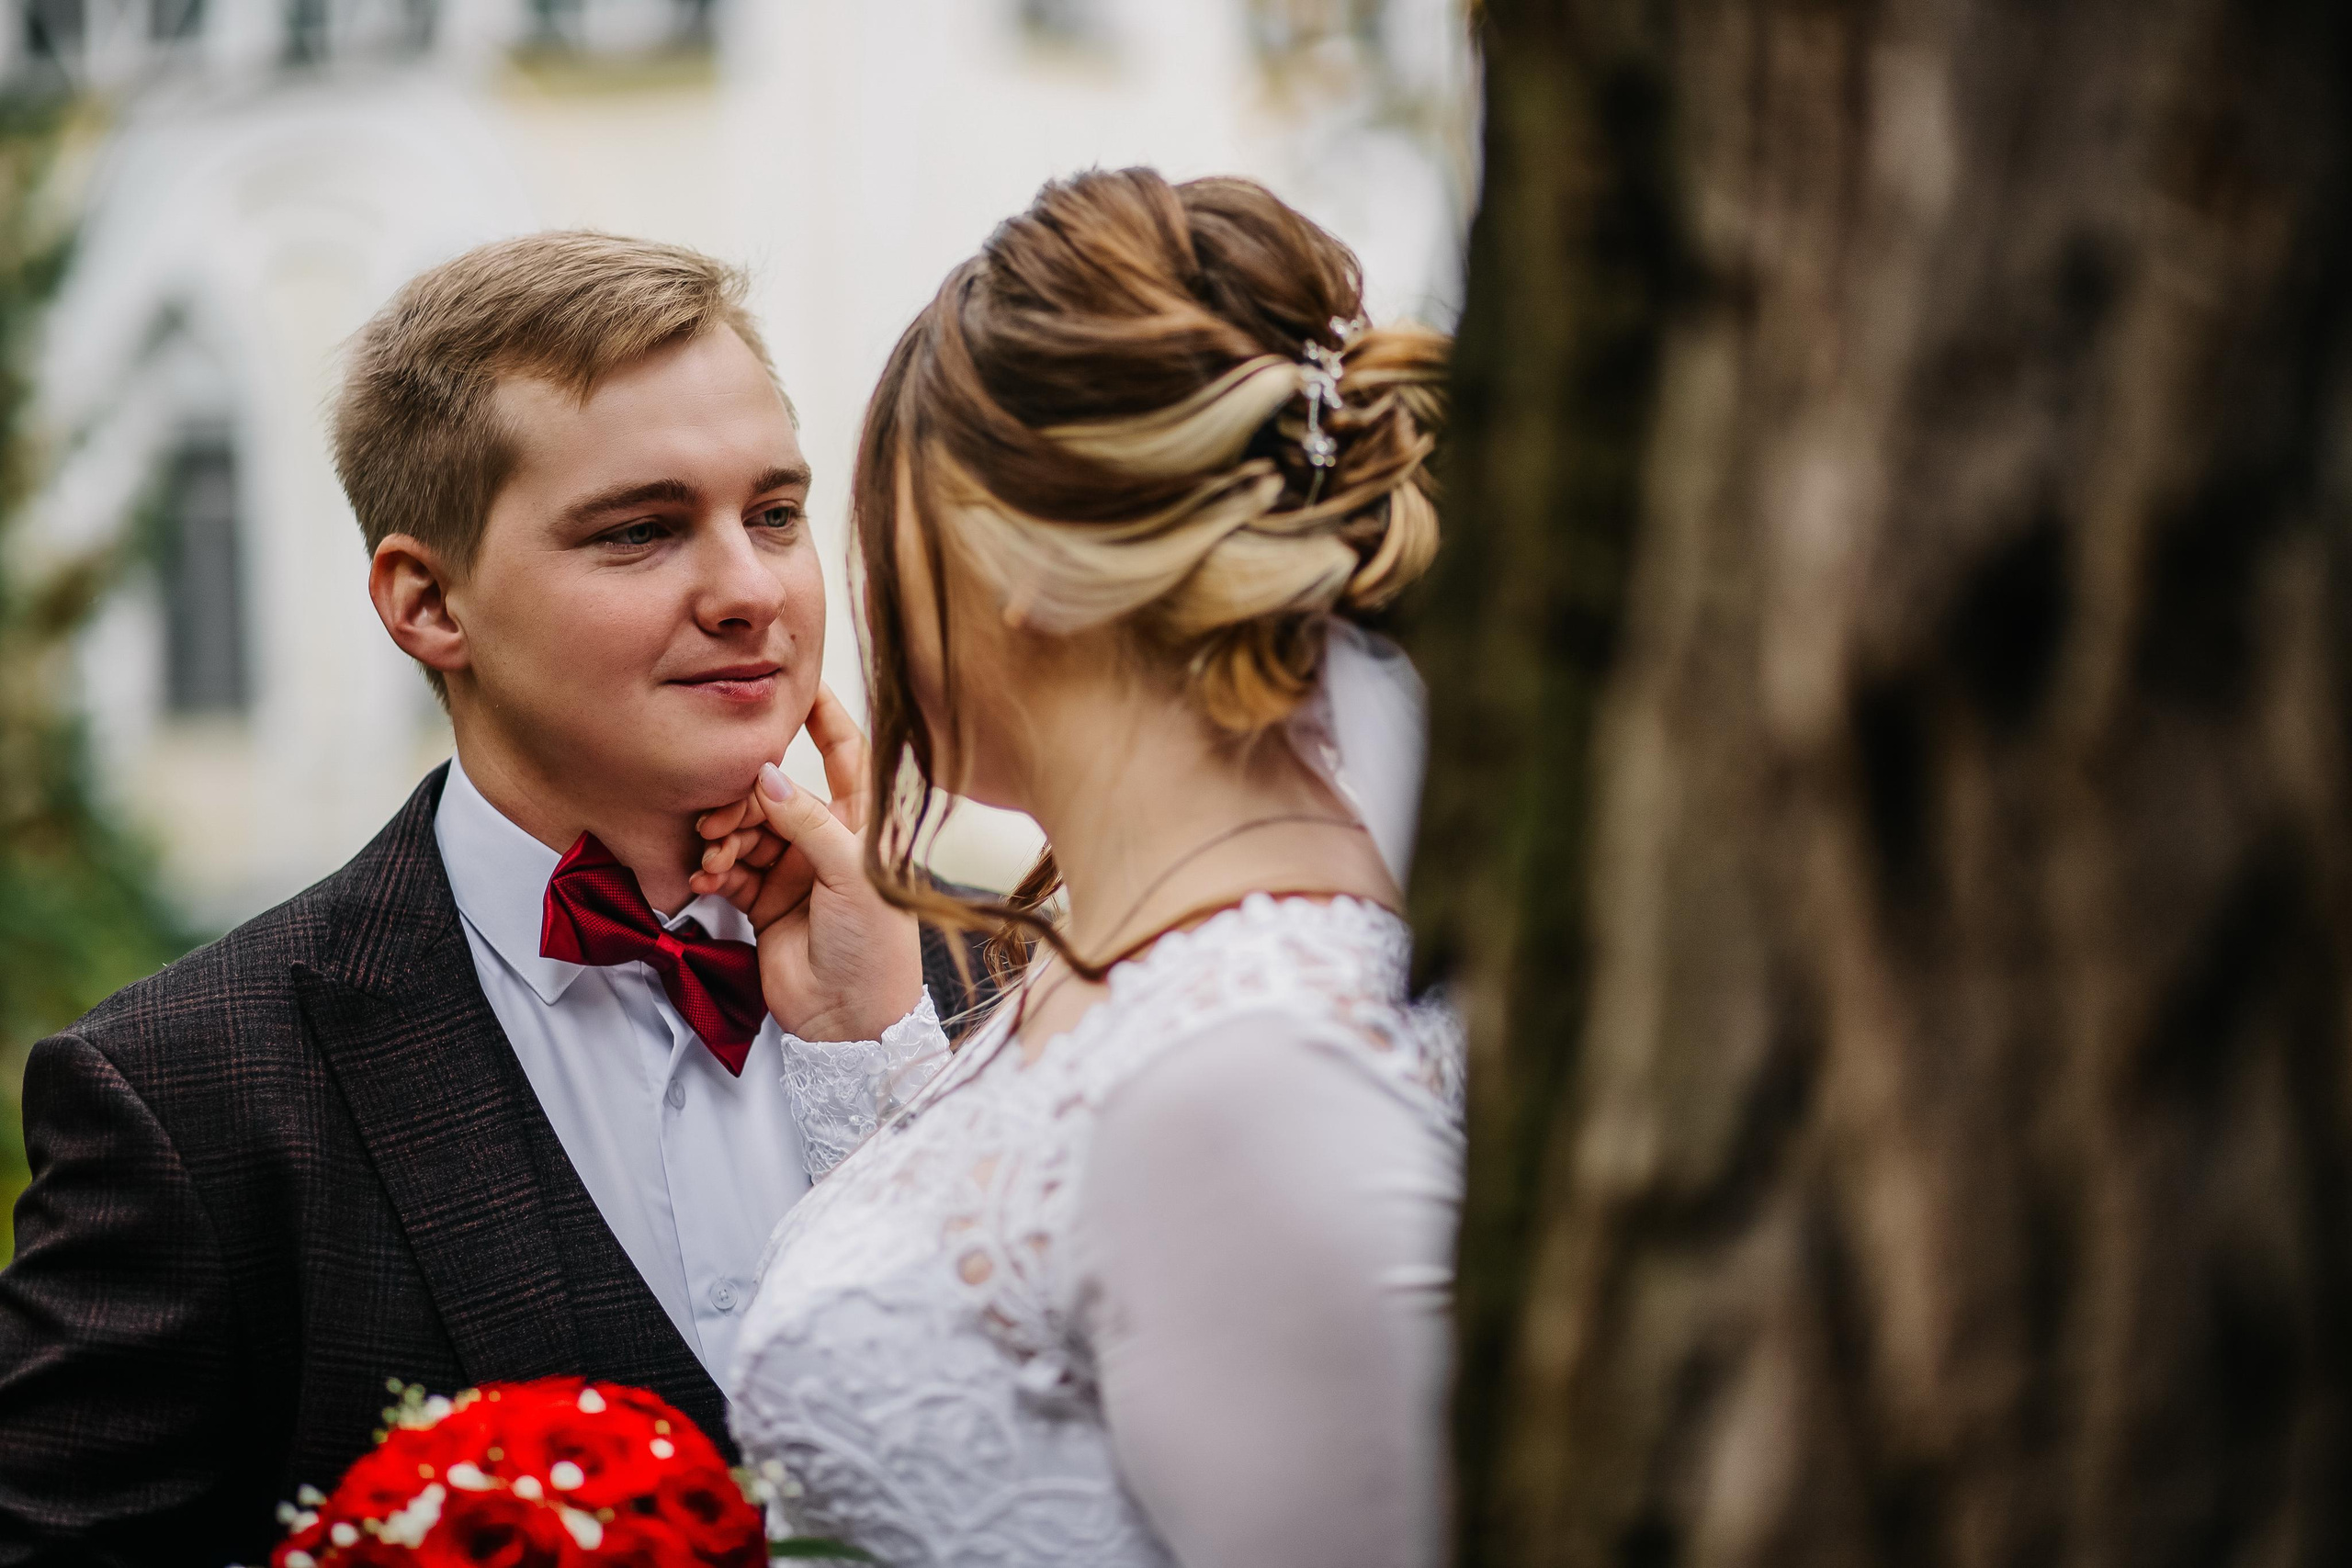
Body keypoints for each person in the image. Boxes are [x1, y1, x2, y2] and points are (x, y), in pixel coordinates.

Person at [0, 233, 961, 1566]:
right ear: (427, 600)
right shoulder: (186, 1095)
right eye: (641, 531)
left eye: (776, 514)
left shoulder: (1008, 978)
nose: (751, 591)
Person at [714, 169, 1464, 1568]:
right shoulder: (1141, 952)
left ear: (1021, 556)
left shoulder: (1251, 1068)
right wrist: (870, 1041)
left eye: (881, 528)